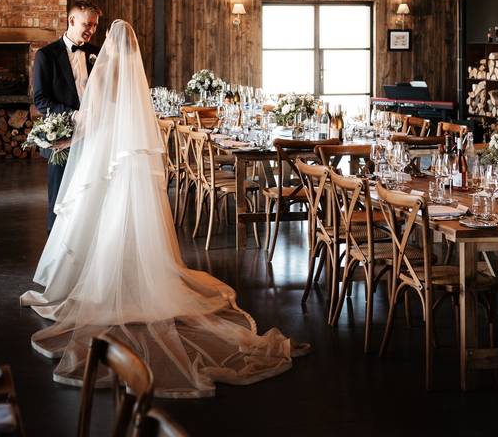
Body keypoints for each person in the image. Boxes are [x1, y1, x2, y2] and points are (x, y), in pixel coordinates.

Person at [21, 20, 303, 399]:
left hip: (103, 151)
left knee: (95, 210)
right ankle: (134, 268)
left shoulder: (101, 69)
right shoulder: (132, 79)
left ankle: (97, 272)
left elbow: (93, 111)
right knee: (128, 211)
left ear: (108, 48)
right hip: (129, 154)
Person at [32, 1, 101, 232]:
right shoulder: (46, 55)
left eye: (94, 25)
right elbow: (41, 100)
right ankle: (57, 247)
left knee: (91, 193)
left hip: (95, 135)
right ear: (71, 21)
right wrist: (74, 116)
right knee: (60, 197)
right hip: (63, 138)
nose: (91, 29)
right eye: (86, 24)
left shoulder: (97, 54)